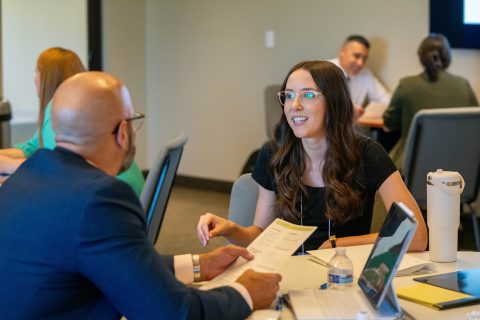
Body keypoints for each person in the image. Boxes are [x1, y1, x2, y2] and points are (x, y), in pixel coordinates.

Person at [0, 72, 281, 319]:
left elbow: (116, 265)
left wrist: (199, 264)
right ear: (123, 132)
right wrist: (245, 293)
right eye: (133, 121)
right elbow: (174, 313)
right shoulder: (100, 198)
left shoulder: (26, 176)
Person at [197, 61, 427, 254]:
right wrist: (230, 228)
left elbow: (416, 235)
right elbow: (261, 237)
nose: (294, 105)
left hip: (344, 273)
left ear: (334, 102)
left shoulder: (368, 154)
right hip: (287, 274)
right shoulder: (273, 154)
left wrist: (335, 245)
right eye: (288, 96)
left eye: (307, 95)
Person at [0, 47, 145, 195]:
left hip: (111, 193)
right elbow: (30, 148)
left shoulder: (60, 113)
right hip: (124, 190)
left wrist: (9, 166)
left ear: (46, 77)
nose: (34, 78)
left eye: (36, 71)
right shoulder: (65, 111)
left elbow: (59, 169)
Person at [383, 33, 479, 170]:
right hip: (459, 167)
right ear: (448, 57)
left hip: (412, 167)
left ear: (420, 56)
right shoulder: (463, 85)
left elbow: (389, 125)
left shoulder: (406, 85)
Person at [329, 35, 391, 115]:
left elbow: (386, 101)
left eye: (364, 58)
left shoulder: (365, 74)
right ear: (342, 51)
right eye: (356, 56)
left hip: (353, 125)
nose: (360, 63)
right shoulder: (324, 70)